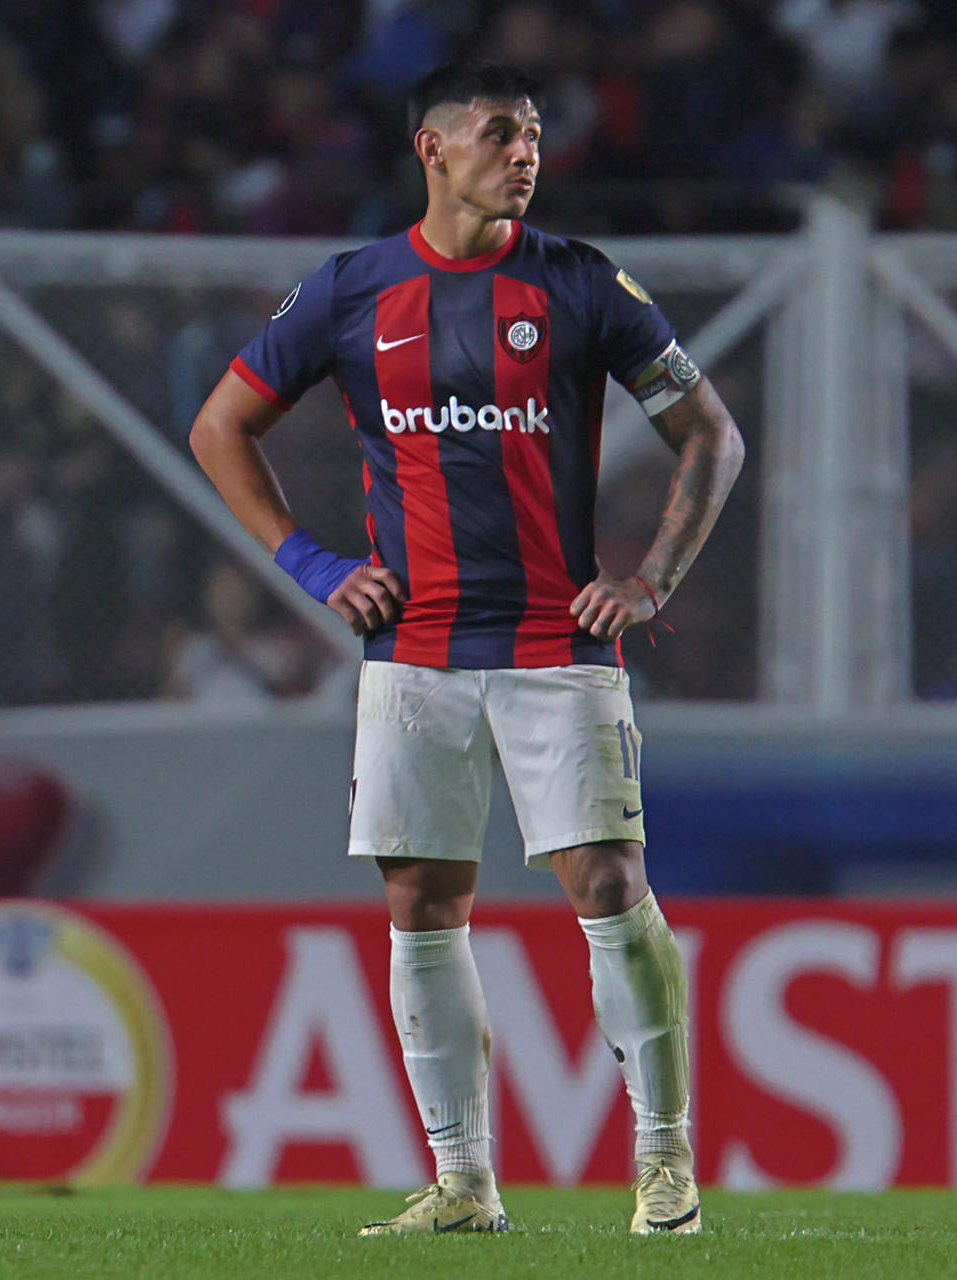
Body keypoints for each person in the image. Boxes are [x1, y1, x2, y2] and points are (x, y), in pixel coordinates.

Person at [189, 63, 744, 1235]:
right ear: (433, 151)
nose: (526, 151)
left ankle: (665, 1160)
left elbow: (711, 433)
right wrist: (313, 565)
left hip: (557, 639)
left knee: (609, 882)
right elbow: (220, 425)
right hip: (415, 649)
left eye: (536, 133)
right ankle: (462, 1181)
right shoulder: (352, 289)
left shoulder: (583, 284)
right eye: (501, 132)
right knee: (422, 900)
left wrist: (649, 579)